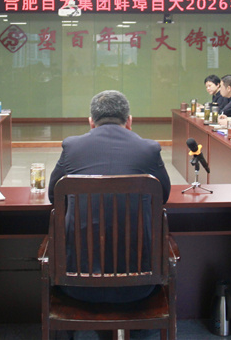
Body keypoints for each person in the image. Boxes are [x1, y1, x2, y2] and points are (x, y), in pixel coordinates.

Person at [47, 90, 171, 303]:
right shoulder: (149, 149)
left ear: (91, 122)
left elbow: (54, 196)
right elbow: (163, 196)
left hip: (76, 283)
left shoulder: (72, 147)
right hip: (140, 284)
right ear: (129, 121)